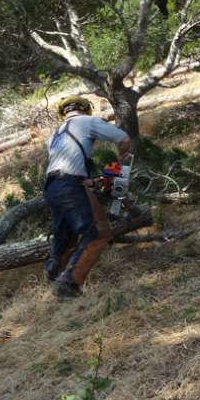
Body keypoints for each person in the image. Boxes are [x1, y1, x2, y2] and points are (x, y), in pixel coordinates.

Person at [43, 96, 131, 298]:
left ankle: (53, 273)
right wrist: (121, 162)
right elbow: (123, 139)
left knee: (65, 237)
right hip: (70, 185)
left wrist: (88, 181)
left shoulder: (55, 135)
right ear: (85, 108)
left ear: (64, 113)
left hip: (52, 187)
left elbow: (65, 164)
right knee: (97, 234)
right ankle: (69, 283)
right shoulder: (87, 121)